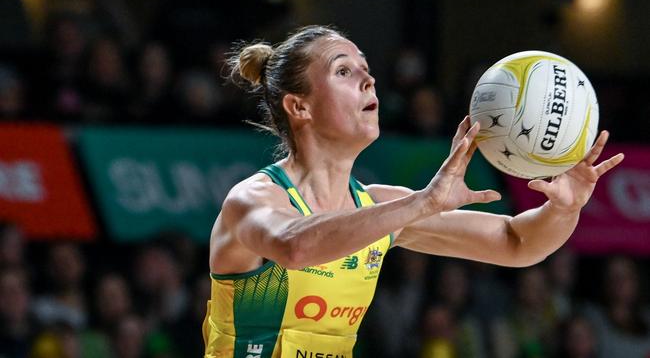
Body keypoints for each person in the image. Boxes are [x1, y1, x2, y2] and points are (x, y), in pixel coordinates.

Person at [204, 25, 624, 358]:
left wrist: (564, 210)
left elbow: (517, 242)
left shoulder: (379, 207)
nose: (369, 79)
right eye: (344, 71)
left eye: (366, 68)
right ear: (300, 107)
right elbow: (294, 246)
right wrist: (422, 202)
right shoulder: (253, 199)